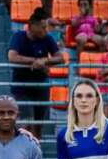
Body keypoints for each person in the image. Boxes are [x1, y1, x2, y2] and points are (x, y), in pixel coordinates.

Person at [7, 10, 65, 139]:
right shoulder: (18, 37)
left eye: (46, 27)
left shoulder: (47, 38)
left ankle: (36, 151)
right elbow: (12, 57)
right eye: (43, 27)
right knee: (26, 122)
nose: (46, 30)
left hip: (41, 86)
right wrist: (34, 61)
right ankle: (22, 151)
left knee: (38, 124)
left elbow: (60, 58)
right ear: (32, 26)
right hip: (21, 87)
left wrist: (45, 61)